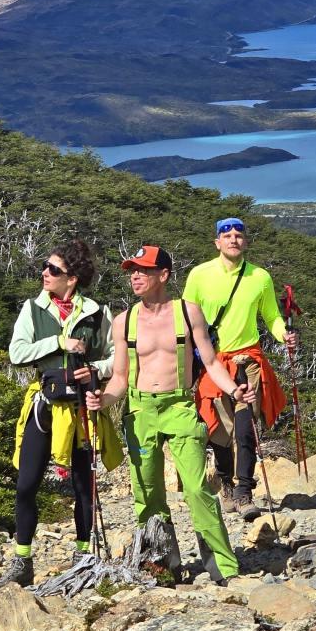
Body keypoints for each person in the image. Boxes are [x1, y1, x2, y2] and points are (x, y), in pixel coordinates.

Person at [86, 244, 253, 583]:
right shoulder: (124, 321)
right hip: (140, 409)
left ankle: (222, 566)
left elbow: (210, 362)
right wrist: (102, 400)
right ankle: (161, 566)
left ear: (163, 275)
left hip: (180, 405)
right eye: (133, 270)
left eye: (143, 270)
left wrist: (233, 390)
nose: (135, 276)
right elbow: (119, 378)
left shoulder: (188, 313)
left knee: (197, 488)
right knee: (146, 492)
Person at [4, 240, 121, 588]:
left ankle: (83, 556)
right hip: (44, 404)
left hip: (82, 406)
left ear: (72, 279)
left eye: (53, 269)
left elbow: (116, 358)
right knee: (26, 484)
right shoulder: (33, 308)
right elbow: (17, 353)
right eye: (46, 266)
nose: (45, 273)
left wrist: (95, 370)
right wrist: (58, 342)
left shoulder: (97, 313)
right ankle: (22, 560)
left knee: (84, 486)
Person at [182, 216, 299, 512]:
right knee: (218, 429)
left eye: (238, 235)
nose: (233, 239)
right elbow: (186, 319)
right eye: (227, 235)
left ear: (245, 241)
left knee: (246, 428)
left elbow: (271, 316)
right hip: (212, 361)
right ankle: (226, 484)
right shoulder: (199, 275)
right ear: (217, 242)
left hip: (248, 361)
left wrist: (284, 335)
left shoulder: (259, 277)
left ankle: (244, 491)